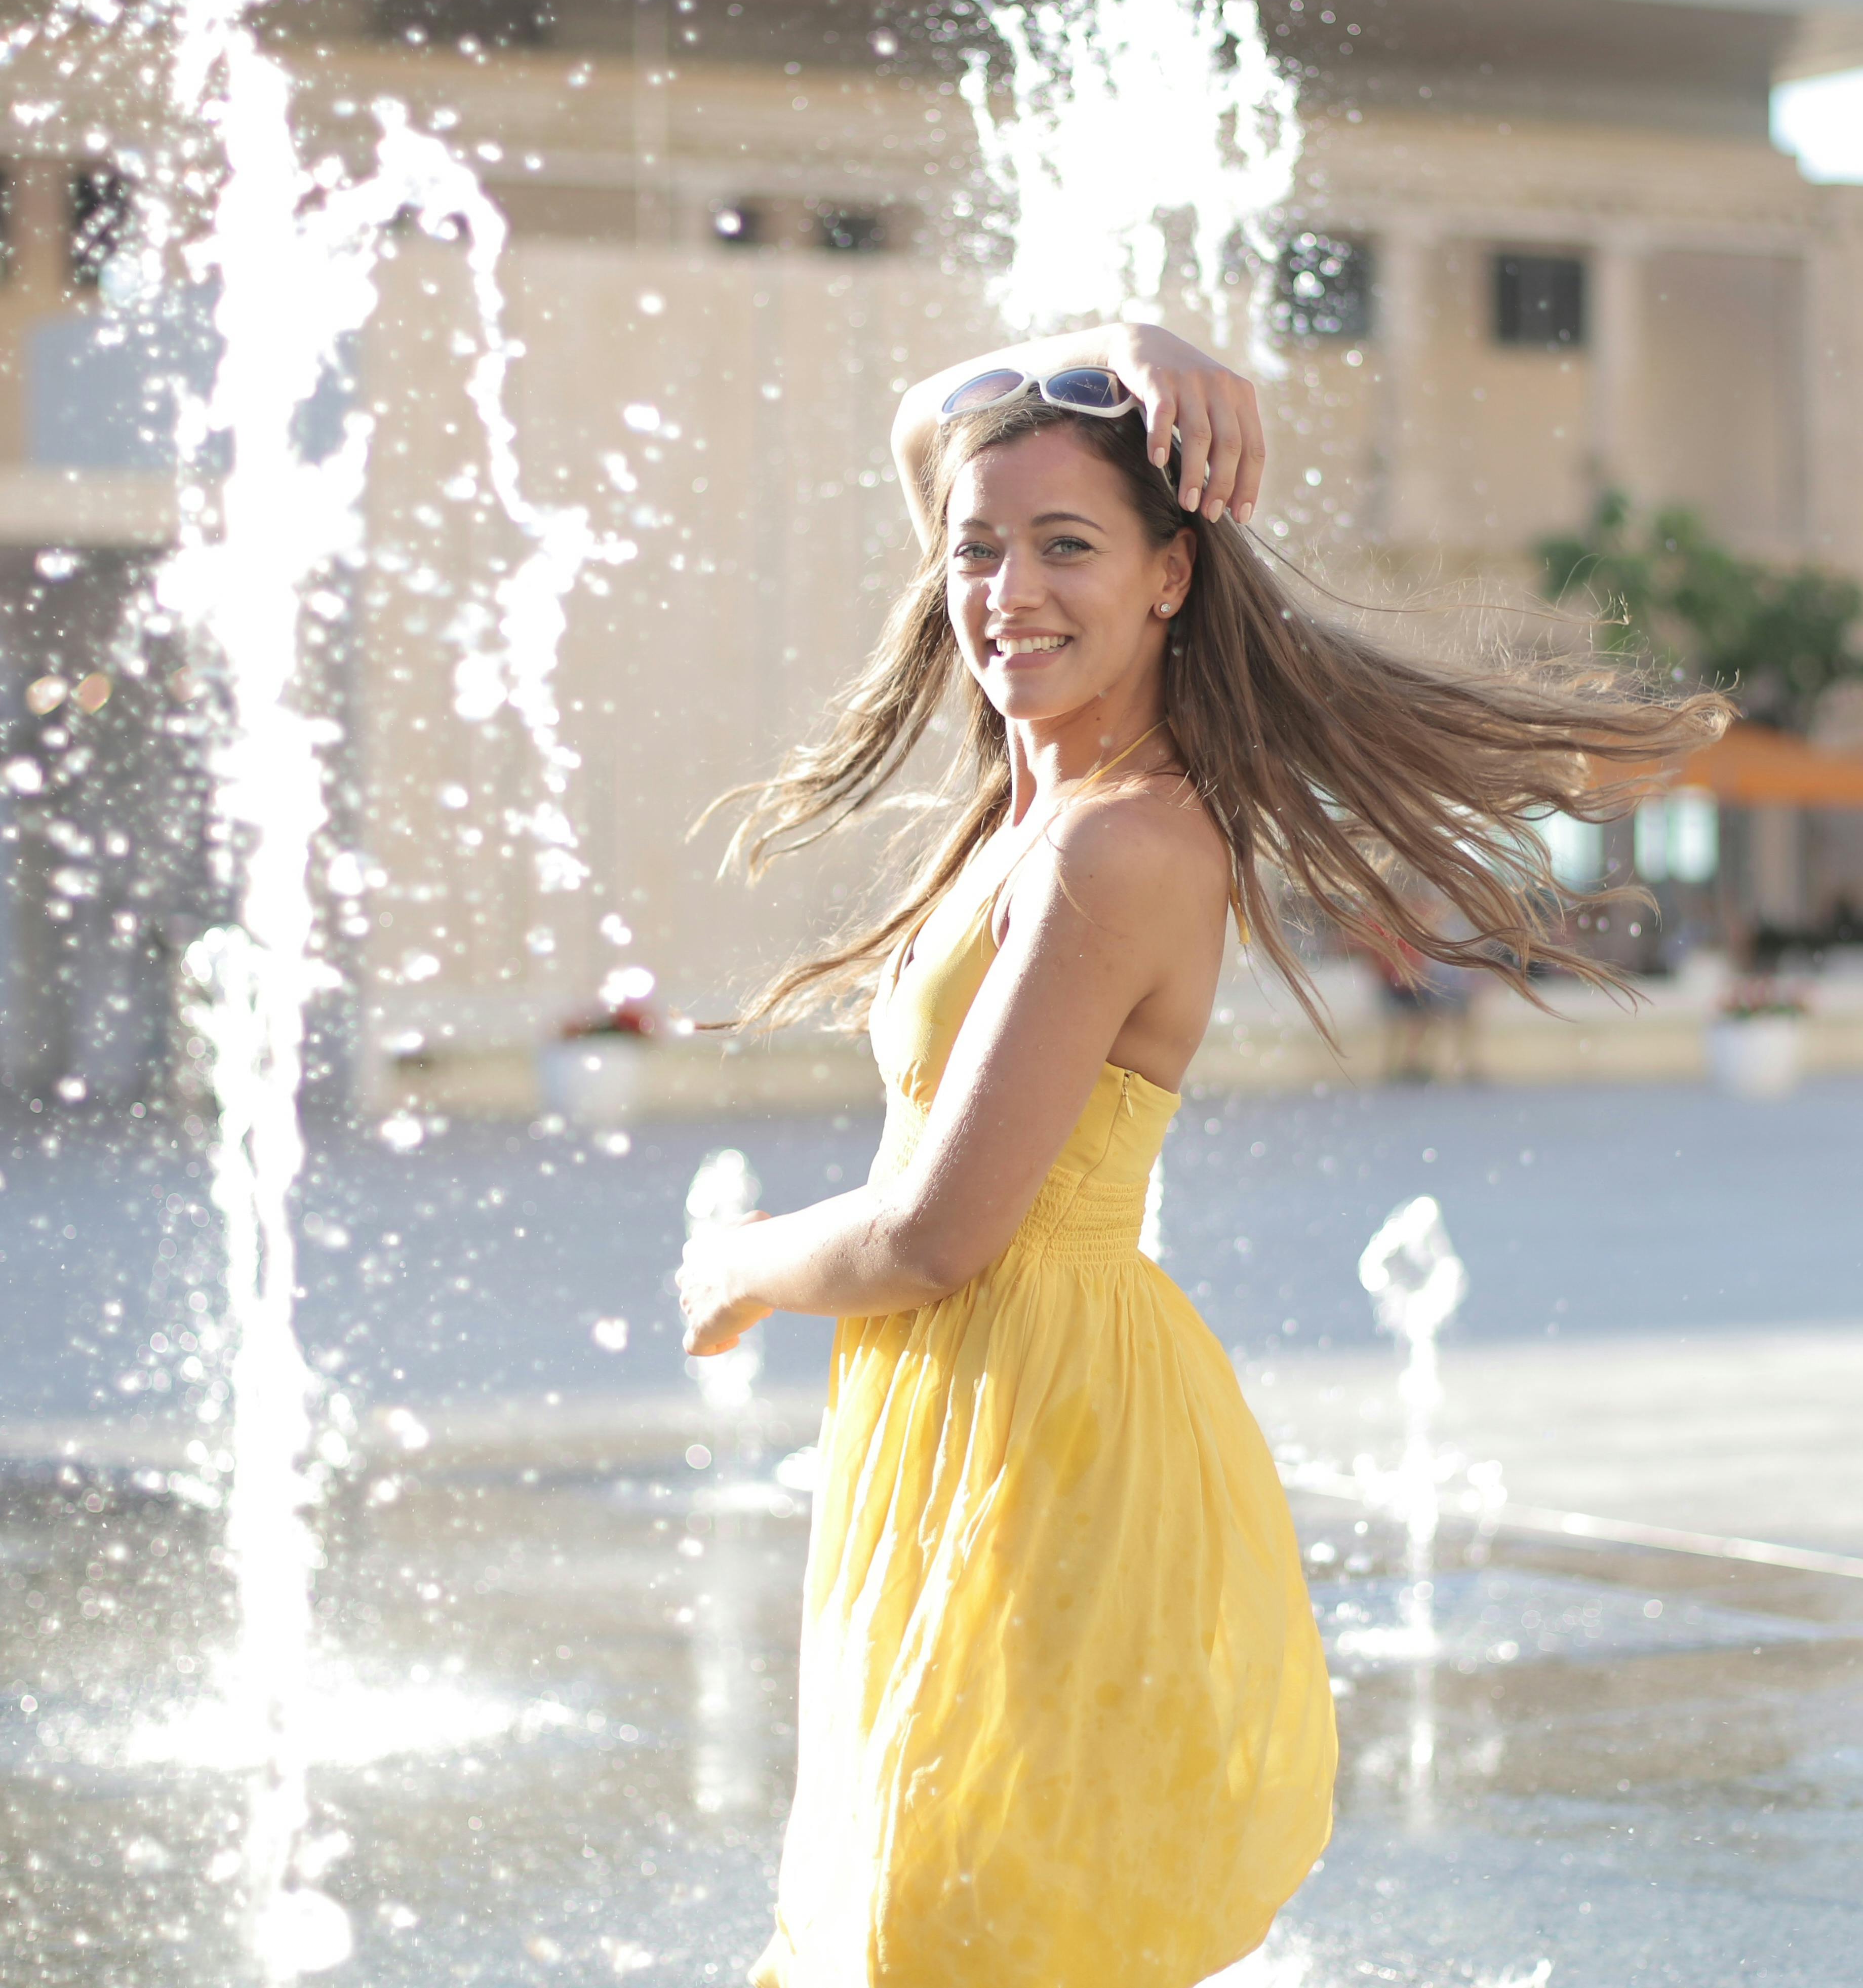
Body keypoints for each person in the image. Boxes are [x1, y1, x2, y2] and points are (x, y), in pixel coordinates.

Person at [677, 322, 1726, 1988]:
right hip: (965, 1408)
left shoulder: (1122, 842)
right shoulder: (1046, 799)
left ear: (1174, 576)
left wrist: (736, 1265)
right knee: (928, 1912)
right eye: (979, 548)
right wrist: (1113, 348)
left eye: (1069, 546)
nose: (1007, 587)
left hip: (1039, 1420)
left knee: (958, 1925)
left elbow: (942, 1233)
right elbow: (916, 422)